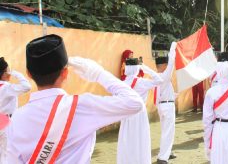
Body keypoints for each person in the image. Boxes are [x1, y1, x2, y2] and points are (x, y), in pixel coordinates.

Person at [6, 34, 145, 163]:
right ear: (65, 73)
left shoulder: (16, 119)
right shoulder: (81, 106)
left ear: (29, 74)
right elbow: (134, 103)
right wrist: (99, 74)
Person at [117, 56, 169, 164]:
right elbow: (159, 80)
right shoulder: (141, 82)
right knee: (140, 140)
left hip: (127, 115)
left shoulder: (122, 83)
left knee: (127, 141)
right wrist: (145, 68)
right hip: (140, 114)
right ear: (137, 68)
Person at [0, 57, 32, 163]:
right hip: (5, 121)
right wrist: (16, 73)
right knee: (6, 153)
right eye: (8, 71)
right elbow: (27, 86)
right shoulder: (7, 87)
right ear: (4, 73)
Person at [155, 43, 178, 164]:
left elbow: (163, 92)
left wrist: (174, 95)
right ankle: (163, 158)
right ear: (163, 65)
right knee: (168, 131)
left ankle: (166, 152)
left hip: (162, 105)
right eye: (166, 64)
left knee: (166, 131)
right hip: (167, 106)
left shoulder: (156, 76)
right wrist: (173, 48)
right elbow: (172, 64)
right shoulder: (163, 75)